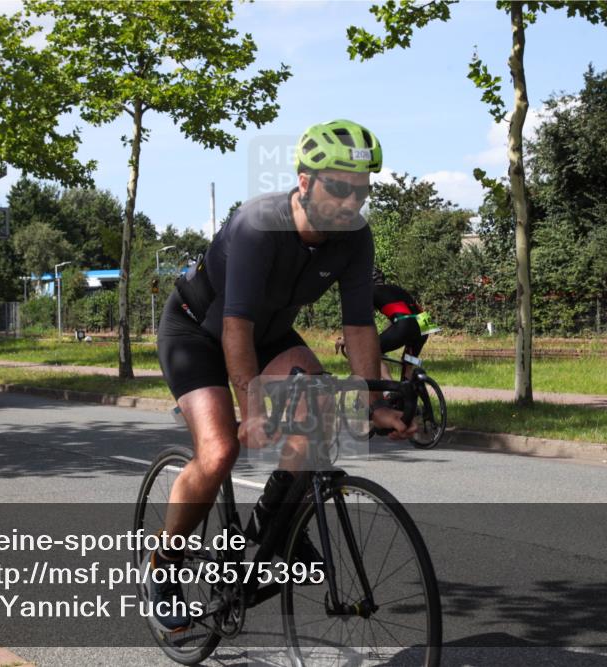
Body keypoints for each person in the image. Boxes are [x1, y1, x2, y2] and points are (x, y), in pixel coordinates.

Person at [150, 119, 416, 633]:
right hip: (196, 331)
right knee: (221, 451)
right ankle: (163, 566)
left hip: (268, 333)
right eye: (339, 186)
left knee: (321, 413)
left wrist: (372, 402)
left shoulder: (355, 236)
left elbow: (359, 326)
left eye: (361, 190)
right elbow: (235, 326)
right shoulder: (258, 224)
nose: (350, 201)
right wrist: (251, 410)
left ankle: (271, 531)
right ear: (304, 180)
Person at [336, 267, 432, 379]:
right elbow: (402, 316)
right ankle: (408, 392)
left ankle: (388, 388)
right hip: (425, 325)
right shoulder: (395, 288)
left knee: (371, 353)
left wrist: (345, 340)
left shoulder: (368, 293)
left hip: (405, 324)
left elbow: (362, 325)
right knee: (408, 362)